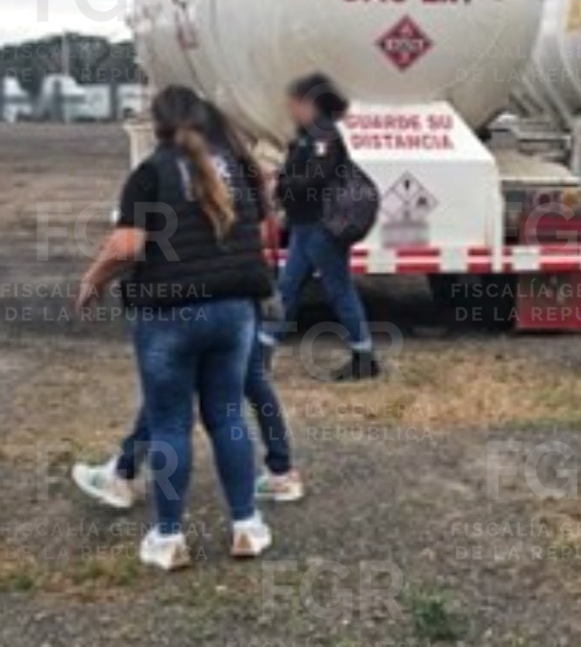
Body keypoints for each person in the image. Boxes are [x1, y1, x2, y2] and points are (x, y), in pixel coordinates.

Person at [76, 86, 276, 570]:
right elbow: (261, 229)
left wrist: (93, 279)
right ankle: (247, 526)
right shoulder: (239, 169)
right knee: (228, 417)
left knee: (170, 425)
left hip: (170, 315)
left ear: (159, 124)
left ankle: (168, 538)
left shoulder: (150, 174)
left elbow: (127, 247)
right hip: (235, 310)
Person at [274, 72, 379, 381]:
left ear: (309, 103)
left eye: (294, 103)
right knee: (288, 289)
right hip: (306, 224)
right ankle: (258, 355)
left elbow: (319, 175)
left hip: (321, 224)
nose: (290, 109)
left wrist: (283, 187)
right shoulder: (308, 134)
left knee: (336, 289)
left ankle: (364, 355)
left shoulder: (322, 134)